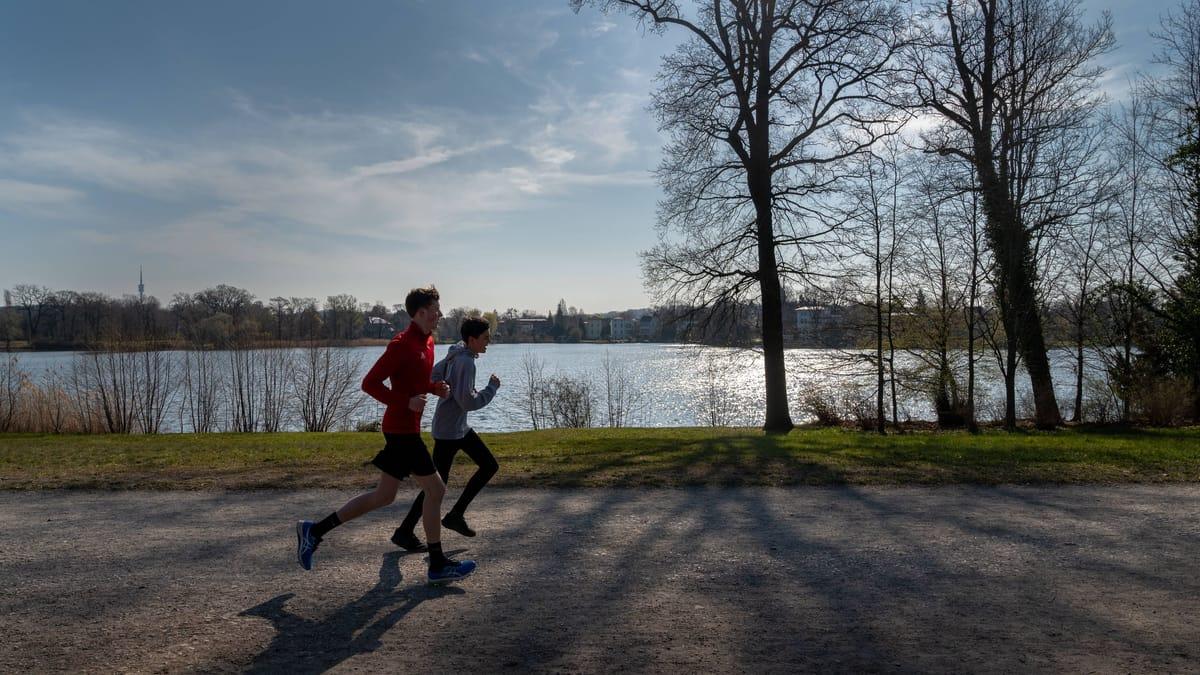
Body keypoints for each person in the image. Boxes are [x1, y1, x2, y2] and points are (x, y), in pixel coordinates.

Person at [295, 286, 477, 584]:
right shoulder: (401, 344)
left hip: (406, 429)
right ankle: (437, 564)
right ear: (420, 312)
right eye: (435, 310)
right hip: (401, 430)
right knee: (437, 491)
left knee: (384, 496)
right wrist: (405, 402)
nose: (440, 315)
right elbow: (370, 384)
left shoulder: (428, 342)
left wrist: (434, 388)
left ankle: (313, 531)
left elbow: (417, 380)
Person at [391, 317, 501, 551]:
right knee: (436, 486)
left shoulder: (457, 353)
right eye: (485, 337)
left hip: (454, 427)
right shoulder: (466, 362)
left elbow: (434, 375)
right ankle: (408, 530)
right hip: (450, 431)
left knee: (487, 465)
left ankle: (451, 516)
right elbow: (467, 402)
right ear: (472, 339)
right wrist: (491, 389)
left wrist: (447, 388)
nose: (488, 342)